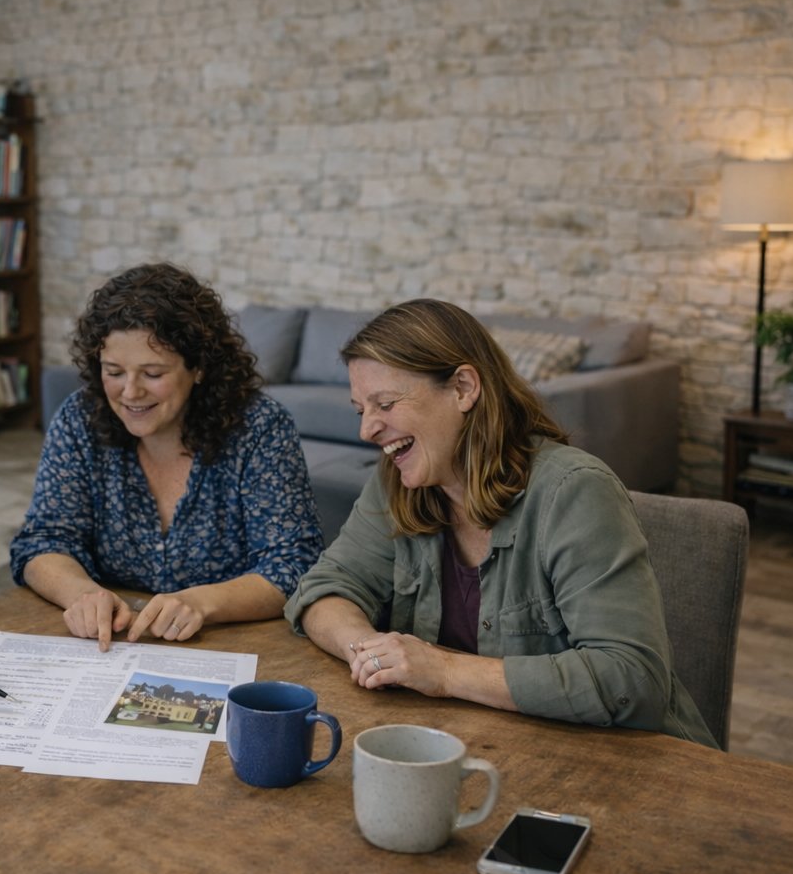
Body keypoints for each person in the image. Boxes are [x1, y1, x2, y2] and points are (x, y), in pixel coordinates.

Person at [284, 299, 716, 747]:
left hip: (632, 765)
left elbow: (631, 679)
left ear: (464, 388)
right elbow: (323, 590)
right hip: (486, 749)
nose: (367, 430)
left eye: (386, 404)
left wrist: (443, 670)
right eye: (361, 410)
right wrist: (373, 656)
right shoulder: (398, 481)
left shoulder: (575, 492)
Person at [10, 262, 324, 650]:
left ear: (199, 368)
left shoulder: (259, 428)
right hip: (112, 644)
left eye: (153, 373)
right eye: (114, 371)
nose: (130, 392)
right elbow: (43, 540)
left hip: (235, 644)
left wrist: (202, 602)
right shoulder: (80, 419)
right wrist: (82, 594)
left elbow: (294, 563)